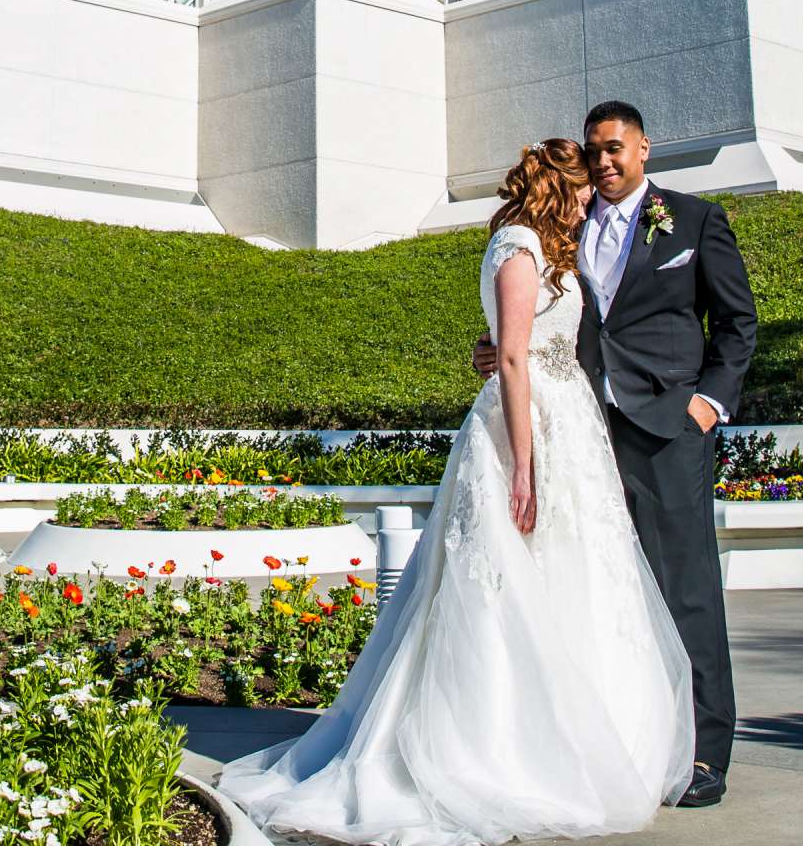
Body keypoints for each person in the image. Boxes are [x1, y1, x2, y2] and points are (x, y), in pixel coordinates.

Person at [217, 138, 695, 845]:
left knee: (577, 578)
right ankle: (496, 748)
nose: (594, 198)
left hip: (569, 430)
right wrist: (525, 468)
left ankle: (599, 740)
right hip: (523, 432)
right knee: (498, 585)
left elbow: (522, 339)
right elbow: (509, 354)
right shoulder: (518, 244)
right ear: (560, 188)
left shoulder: (548, 250)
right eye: (584, 189)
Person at [475, 99, 757, 807]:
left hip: (667, 428)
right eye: (594, 150)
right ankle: (629, 740)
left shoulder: (692, 220)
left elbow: (736, 322)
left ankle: (703, 751)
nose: (603, 161)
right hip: (583, 430)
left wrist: (705, 405)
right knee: (604, 590)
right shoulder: (562, 225)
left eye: (615, 149)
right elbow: (541, 317)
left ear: (644, 149)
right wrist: (496, 351)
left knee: (684, 585)